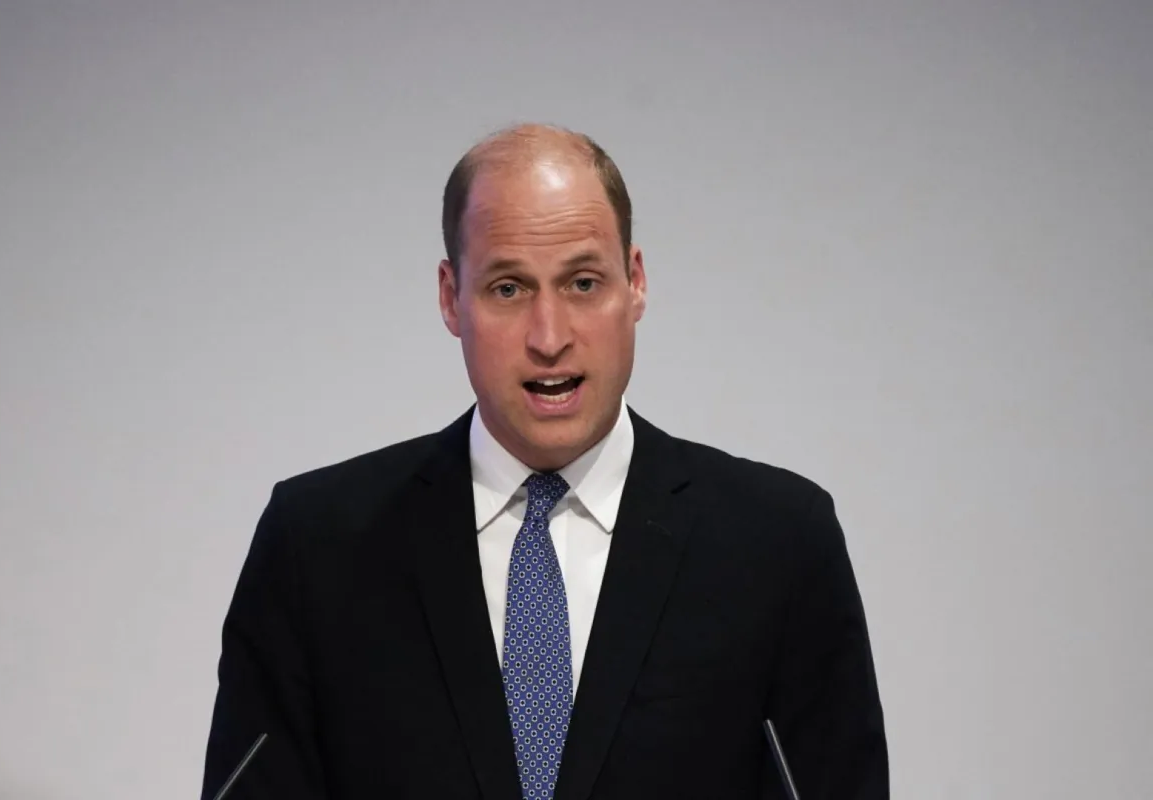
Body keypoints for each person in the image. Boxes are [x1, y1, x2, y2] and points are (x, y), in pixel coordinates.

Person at [200, 123, 889, 800]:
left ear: (636, 282)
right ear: (450, 297)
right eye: (508, 288)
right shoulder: (316, 546)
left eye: (584, 283)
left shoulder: (779, 545)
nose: (550, 337)